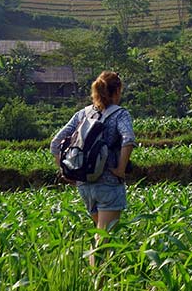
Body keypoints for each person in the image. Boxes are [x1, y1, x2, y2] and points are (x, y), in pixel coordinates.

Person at [50, 71, 135, 266]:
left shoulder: (83, 113)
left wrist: (66, 172)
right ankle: (96, 281)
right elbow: (128, 139)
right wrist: (121, 169)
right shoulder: (120, 114)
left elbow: (55, 143)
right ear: (117, 91)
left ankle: (104, 278)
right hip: (108, 183)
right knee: (103, 239)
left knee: (100, 233)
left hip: (84, 184)